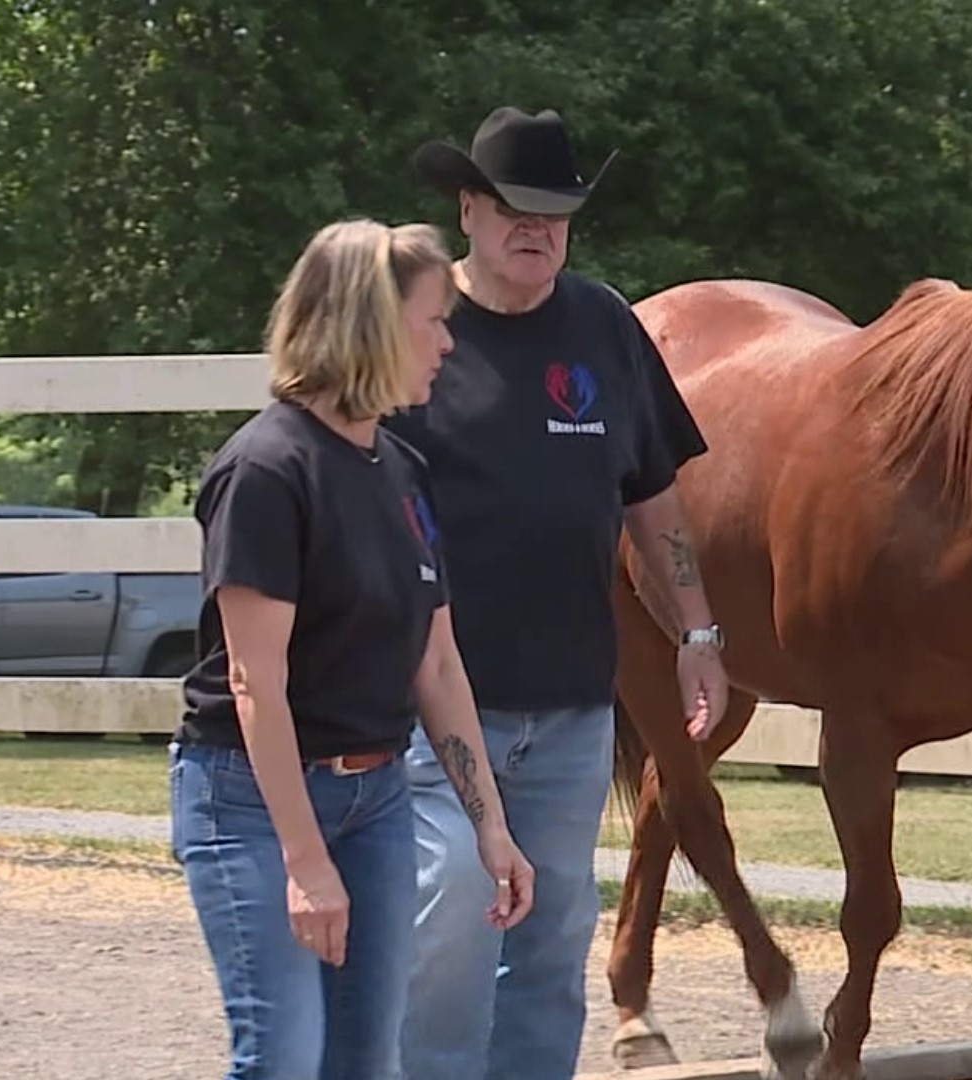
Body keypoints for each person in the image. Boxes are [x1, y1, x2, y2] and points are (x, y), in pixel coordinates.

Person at [388, 106, 729, 1080]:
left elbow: (655, 497)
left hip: (577, 705)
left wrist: (699, 630)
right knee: (452, 917)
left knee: (553, 940)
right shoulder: (415, 331)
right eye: (513, 207)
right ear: (468, 208)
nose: (535, 226)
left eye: (556, 210)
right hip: (437, 699)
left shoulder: (605, 326)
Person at [171, 217, 537, 1080]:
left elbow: (437, 664)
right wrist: (304, 862)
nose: (448, 343)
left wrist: (492, 828)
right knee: (284, 1060)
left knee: (367, 1060)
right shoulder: (265, 471)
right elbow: (256, 680)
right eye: (433, 320)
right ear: (370, 322)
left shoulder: (401, 472)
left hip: (374, 798)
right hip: (251, 805)